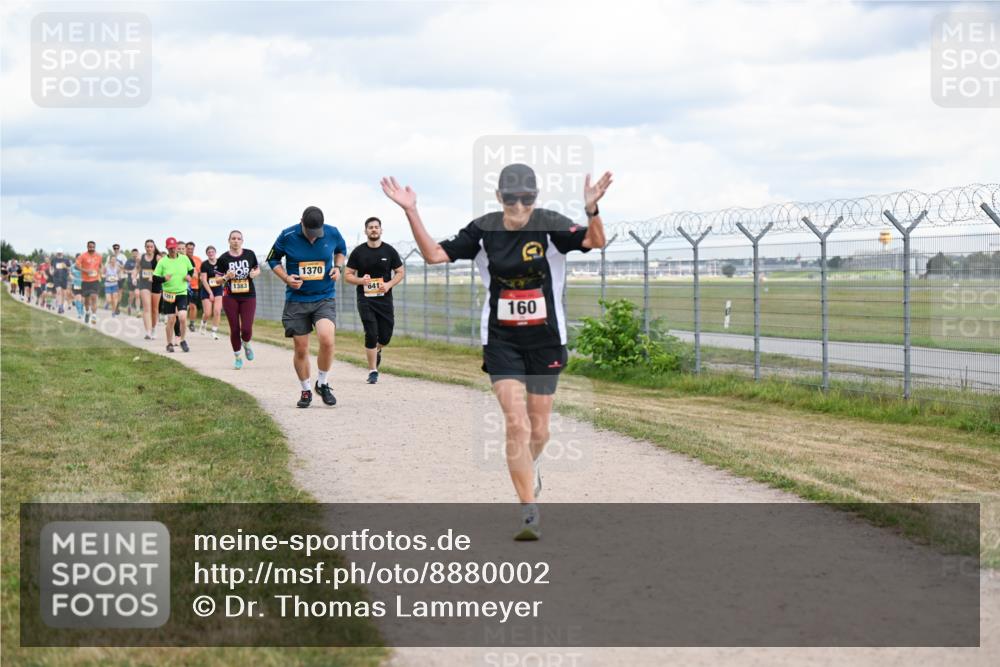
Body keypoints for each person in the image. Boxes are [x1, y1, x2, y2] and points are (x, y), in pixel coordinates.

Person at [381, 164, 612, 540]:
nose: (519, 206)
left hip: (546, 340)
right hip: (502, 340)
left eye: (526, 198)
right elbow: (435, 255)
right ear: (499, 197)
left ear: (535, 198)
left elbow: (595, 242)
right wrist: (411, 211)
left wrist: (592, 210)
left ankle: (531, 465)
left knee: (540, 428)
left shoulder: (550, 224)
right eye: (511, 198)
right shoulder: (483, 230)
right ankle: (528, 512)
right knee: (516, 424)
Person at [266, 206, 346, 407]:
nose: (312, 238)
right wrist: (286, 277)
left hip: (324, 297)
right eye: (309, 233)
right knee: (301, 349)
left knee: (327, 339)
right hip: (297, 299)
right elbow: (272, 258)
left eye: (316, 234)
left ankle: (323, 383)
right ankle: (306, 390)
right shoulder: (287, 235)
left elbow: (341, 250)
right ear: (301, 221)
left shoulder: (332, 232)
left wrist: (337, 268)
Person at [344, 216, 405, 384]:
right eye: (370, 227)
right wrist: (361, 280)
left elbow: (400, 272)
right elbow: (347, 275)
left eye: (376, 227)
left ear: (381, 230)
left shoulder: (389, 251)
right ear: (365, 231)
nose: (373, 229)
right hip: (365, 299)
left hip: (385, 299)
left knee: (385, 336)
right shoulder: (358, 252)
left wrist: (389, 284)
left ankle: (377, 349)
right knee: (371, 332)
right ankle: (373, 370)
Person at [217, 231, 261, 369]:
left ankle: (246, 343)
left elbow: (257, 269)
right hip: (230, 296)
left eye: (238, 238)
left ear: (242, 241)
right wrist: (226, 277)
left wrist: (255, 273)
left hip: (248, 296)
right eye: (233, 238)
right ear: (229, 240)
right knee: (234, 328)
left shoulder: (249, 254)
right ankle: (237, 357)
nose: (236, 241)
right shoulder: (223, 259)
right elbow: (217, 280)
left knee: (246, 328)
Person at [152, 237, 193, 353]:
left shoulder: (184, 259)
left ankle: (183, 340)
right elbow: (155, 278)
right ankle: (169, 343)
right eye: (170, 248)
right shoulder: (163, 261)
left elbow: (191, 270)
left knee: (183, 317)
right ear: (167, 248)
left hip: (182, 293)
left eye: (174, 248)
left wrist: (189, 276)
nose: (172, 250)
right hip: (169, 294)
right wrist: (164, 278)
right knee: (171, 320)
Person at [198, 245, 225, 339]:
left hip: (218, 288)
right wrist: (210, 293)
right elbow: (204, 280)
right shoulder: (204, 264)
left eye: (212, 252)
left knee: (217, 311)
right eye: (209, 252)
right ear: (207, 254)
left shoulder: (221, 263)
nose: (211, 253)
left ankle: (214, 331)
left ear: (215, 252)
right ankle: (203, 323)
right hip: (207, 289)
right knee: (208, 313)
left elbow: (224, 276)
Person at [75, 241, 103, 324]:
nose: (92, 248)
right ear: (87, 247)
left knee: (94, 297)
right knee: (86, 301)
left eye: (93, 247)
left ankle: (94, 315)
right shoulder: (82, 256)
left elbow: (100, 266)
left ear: (95, 247)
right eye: (90, 247)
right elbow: (77, 266)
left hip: (95, 280)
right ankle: (87, 312)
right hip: (85, 281)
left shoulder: (99, 256)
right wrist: (86, 271)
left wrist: (101, 272)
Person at [137, 240, 160, 339]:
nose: (149, 248)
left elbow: (162, 270)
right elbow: (137, 268)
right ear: (145, 247)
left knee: (154, 309)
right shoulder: (140, 257)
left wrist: (154, 275)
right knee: (146, 307)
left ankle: (154, 329)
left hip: (155, 284)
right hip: (144, 284)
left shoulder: (158, 258)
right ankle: (148, 332)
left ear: (154, 247)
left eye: (151, 247)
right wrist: (134, 276)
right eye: (147, 247)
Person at [185, 242, 202, 332]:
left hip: (194, 286)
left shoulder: (198, 260)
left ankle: (191, 323)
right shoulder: (182, 259)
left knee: (193, 306)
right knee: (184, 307)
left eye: (192, 249)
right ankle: (180, 322)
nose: (190, 250)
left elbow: (201, 273)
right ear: (185, 249)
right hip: (183, 286)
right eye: (189, 248)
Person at [110, 243, 127, 313]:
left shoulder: (123, 257)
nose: (116, 249)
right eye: (115, 248)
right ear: (113, 249)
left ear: (119, 249)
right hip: (112, 277)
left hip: (121, 277)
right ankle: (113, 304)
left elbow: (125, 267)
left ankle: (117, 306)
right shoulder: (110, 256)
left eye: (117, 248)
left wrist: (120, 267)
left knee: (119, 292)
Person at [125, 248, 140, 316]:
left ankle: (137, 310)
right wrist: (131, 272)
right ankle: (129, 305)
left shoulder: (140, 261)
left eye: (136, 253)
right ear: (132, 253)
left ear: (138, 253)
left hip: (138, 280)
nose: (135, 254)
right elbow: (125, 270)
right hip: (130, 280)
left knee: (137, 294)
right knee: (131, 295)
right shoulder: (129, 261)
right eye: (133, 253)